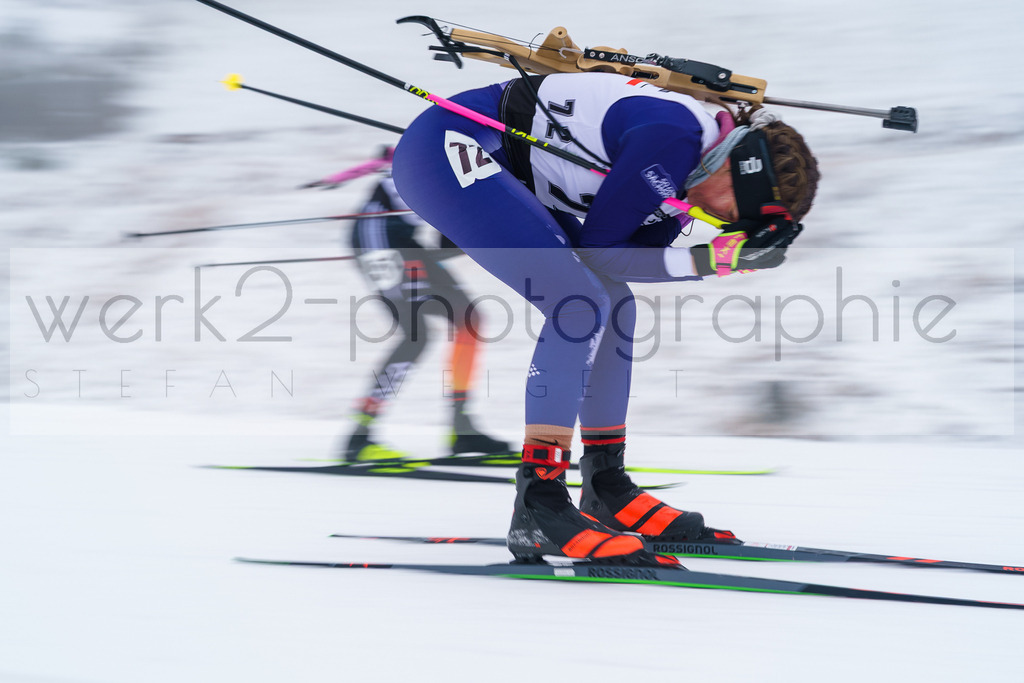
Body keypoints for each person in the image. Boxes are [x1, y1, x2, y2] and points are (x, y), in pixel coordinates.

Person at [391, 72, 819, 564]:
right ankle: (539, 502)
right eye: (734, 215)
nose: (722, 225)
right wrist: (714, 260)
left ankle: (606, 487)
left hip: (503, 161)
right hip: (449, 145)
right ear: (742, 170)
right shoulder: (675, 137)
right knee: (576, 303)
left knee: (615, 304)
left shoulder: (690, 178)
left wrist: (714, 258)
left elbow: (618, 262)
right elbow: (602, 252)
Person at [302, 147, 511, 462]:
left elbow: (444, 243)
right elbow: (446, 238)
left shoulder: (482, 175)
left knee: (469, 320)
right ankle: (359, 437)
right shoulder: (460, 163)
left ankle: (462, 429)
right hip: (377, 238)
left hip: (404, 240)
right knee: (416, 335)